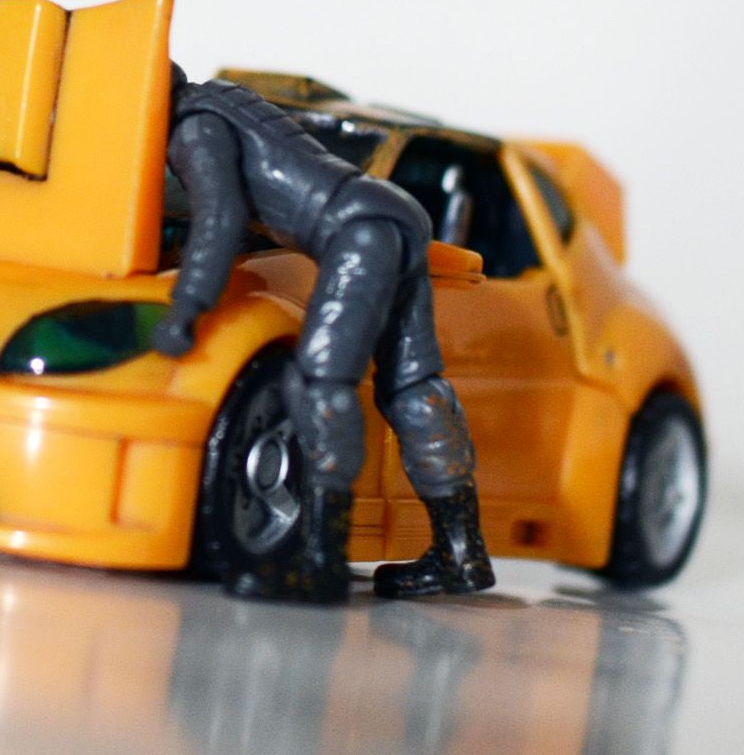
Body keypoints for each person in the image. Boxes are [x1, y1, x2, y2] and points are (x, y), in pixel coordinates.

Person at [150, 66, 495, 602]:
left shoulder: (192, 127)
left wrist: (187, 308)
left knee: (317, 385)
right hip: (390, 213)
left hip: (354, 230)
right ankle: (462, 552)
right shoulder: (224, 99)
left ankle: (321, 562)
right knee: (412, 386)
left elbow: (221, 217)